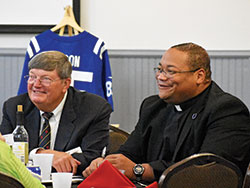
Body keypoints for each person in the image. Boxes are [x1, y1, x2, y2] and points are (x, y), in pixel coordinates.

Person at [82, 42, 250, 183]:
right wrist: (106, 164)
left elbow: (208, 172)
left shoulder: (227, 110)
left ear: (199, 76)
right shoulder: (153, 106)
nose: (161, 77)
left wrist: (140, 170)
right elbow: (129, 154)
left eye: (171, 71)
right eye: (160, 69)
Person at [0, 51, 112, 175]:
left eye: (46, 79)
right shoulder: (14, 107)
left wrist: (55, 160)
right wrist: (42, 155)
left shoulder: (94, 109)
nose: (36, 85)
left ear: (65, 84)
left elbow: (92, 157)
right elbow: (5, 153)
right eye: (32, 77)